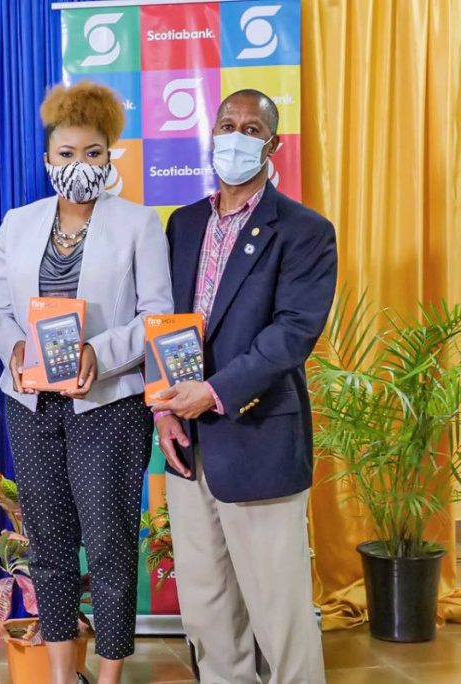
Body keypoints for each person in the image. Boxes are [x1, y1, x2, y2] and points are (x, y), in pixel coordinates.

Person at [0, 81, 173, 684]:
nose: (79, 165)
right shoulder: (18, 222)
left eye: (93, 152)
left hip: (107, 405)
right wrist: (12, 346)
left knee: (111, 546)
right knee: (50, 547)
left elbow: (157, 315)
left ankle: (109, 675)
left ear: (110, 156)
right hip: (31, 403)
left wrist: (100, 351)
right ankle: (63, 674)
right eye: (67, 154)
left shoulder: (139, 224)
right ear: (48, 160)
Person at [152, 89, 337, 684]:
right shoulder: (182, 224)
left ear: (272, 144)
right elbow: (164, 321)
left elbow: (293, 333)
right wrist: (165, 408)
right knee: (207, 610)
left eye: (251, 128)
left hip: (257, 435)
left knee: (278, 612)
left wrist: (213, 391)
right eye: (227, 124)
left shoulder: (305, 231)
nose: (235, 136)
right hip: (187, 442)